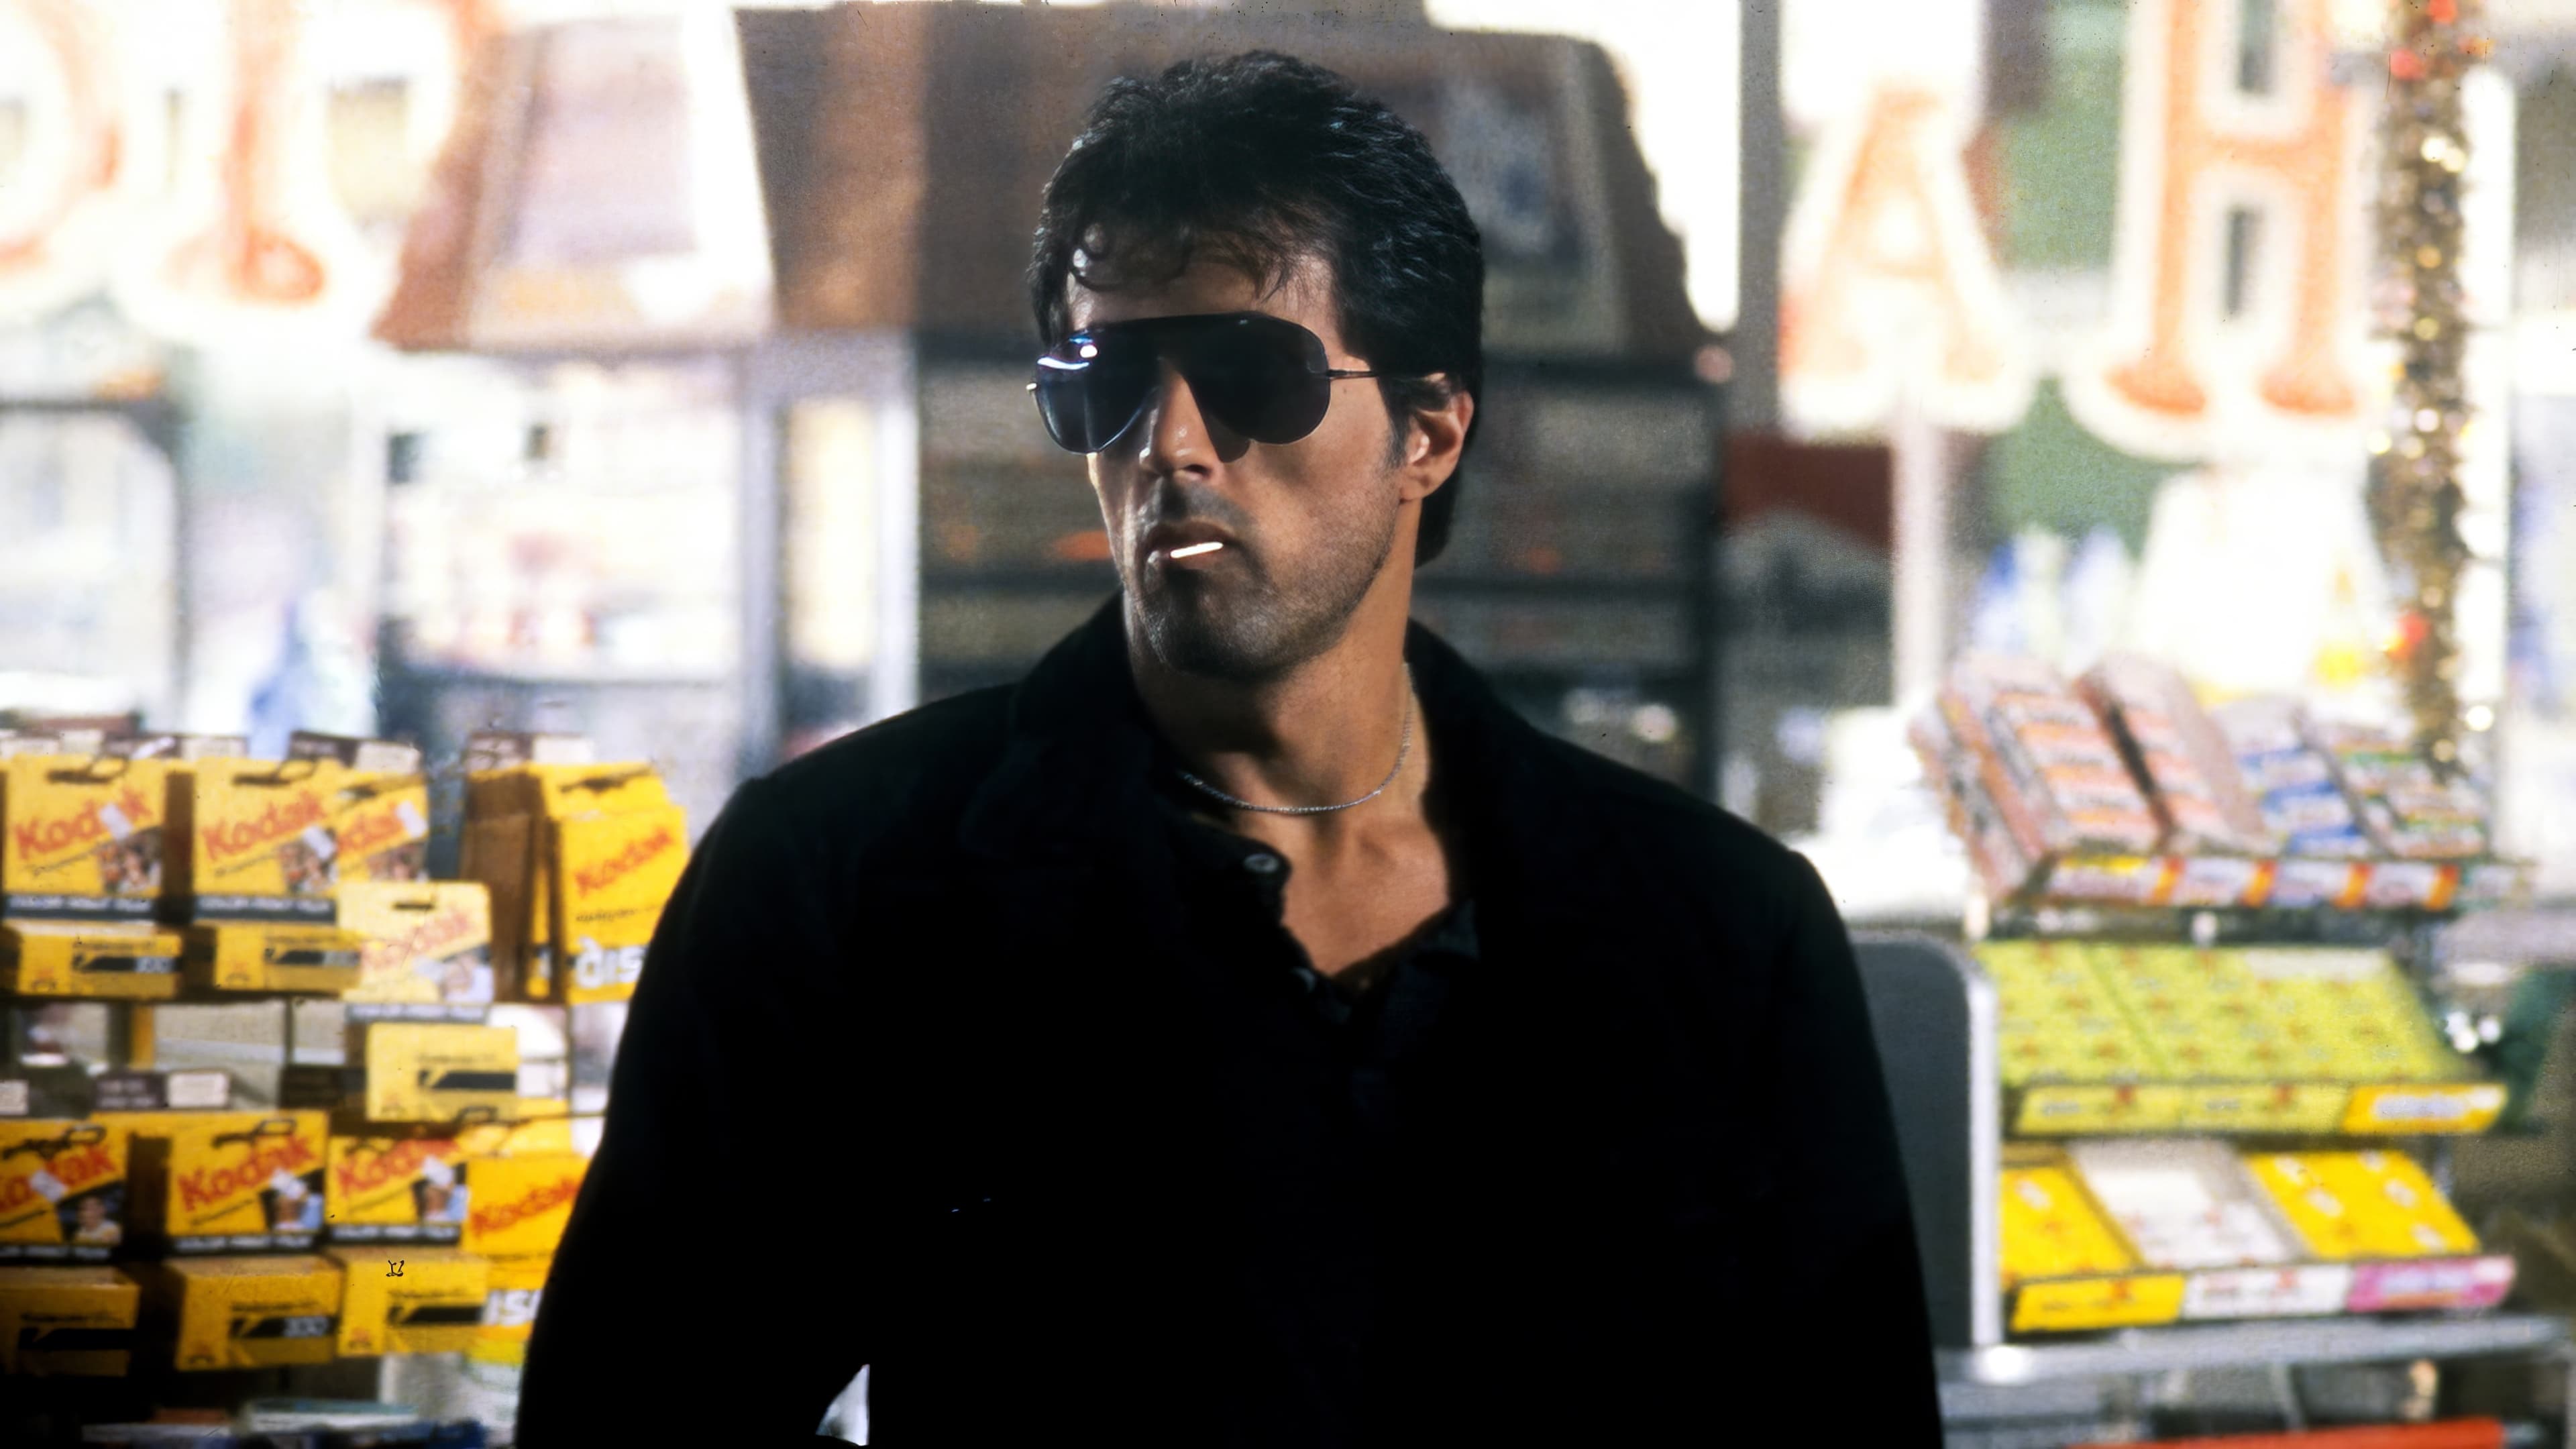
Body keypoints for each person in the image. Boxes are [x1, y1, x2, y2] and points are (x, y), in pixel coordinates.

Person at [520, 51, 1937, 1447]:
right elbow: (631, 1422)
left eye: (1252, 373)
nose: (1174, 443)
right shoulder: (846, 880)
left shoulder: (1716, 926)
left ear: (1430, 431)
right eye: (1107, 380)